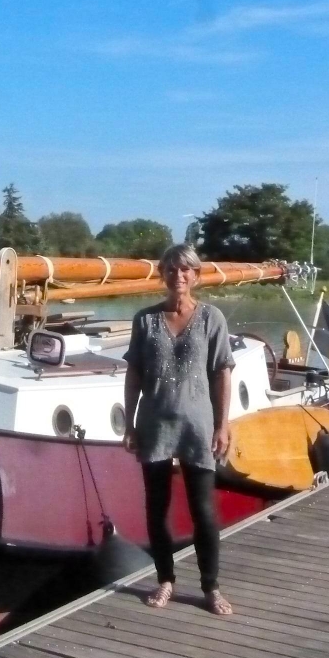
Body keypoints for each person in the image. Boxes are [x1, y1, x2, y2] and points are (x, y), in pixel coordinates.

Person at [123, 244, 234, 615]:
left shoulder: (211, 318)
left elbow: (222, 371)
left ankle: (210, 587)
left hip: (198, 426)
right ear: (163, 274)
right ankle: (165, 580)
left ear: (196, 275)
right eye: (171, 269)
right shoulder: (145, 320)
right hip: (154, 422)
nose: (179, 276)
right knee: (157, 508)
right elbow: (134, 373)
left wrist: (223, 424)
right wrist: (129, 423)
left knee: (203, 509)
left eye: (186, 270)